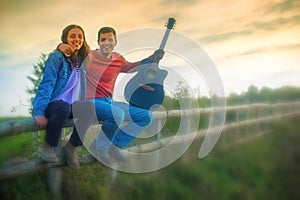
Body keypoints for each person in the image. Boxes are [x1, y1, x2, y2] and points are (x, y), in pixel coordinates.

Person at [58, 27, 164, 163]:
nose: (106, 43)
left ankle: (114, 145)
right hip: (90, 102)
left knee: (145, 116)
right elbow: (72, 50)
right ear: (98, 42)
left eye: (110, 39)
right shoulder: (89, 56)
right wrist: (61, 46)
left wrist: (152, 57)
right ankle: (99, 148)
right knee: (117, 114)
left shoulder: (118, 59)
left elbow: (132, 67)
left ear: (115, 42)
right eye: (103, 40)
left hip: (109, 101)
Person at [32, 24, 95, 169]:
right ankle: (49, 146)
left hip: (67, 106)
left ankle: (71, 147)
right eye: (72, 36)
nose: (76, 39)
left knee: (89, 108)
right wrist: (39, 111)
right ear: (65, 39)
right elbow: (46, 84)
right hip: (52, 105)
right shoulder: (57, 57)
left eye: (80, 36)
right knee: (63, 106)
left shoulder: (82, 61)